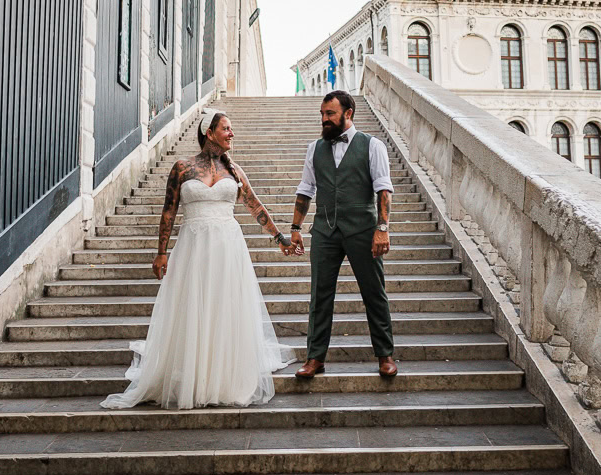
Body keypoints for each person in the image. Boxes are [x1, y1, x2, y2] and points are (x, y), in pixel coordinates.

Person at [101, 110, 292, 409]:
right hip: (193, 247)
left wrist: (280, 238)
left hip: (228, 248)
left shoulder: (235, 171)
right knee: (193, 307)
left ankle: (222, 377)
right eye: (226, 129)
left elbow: (254, 205)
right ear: (210, 132)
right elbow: (169, 211)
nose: (232, 134)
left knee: (224, 308)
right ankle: (193, 374)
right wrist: (161, 252)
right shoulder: (182, 168)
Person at [287, 90, 397, 379]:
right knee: (319, 295)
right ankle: (315, 358)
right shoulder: (314, 148)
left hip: (362, 228)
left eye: (330, 114)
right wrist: (295, 228)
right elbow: (305, 190)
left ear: (348, 113)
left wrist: (382, 229)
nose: (324, 119)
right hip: (324, 230)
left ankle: (385, 355)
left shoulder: (372, 146)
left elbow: (383, 190)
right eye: (322, 114)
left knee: (374, 292)